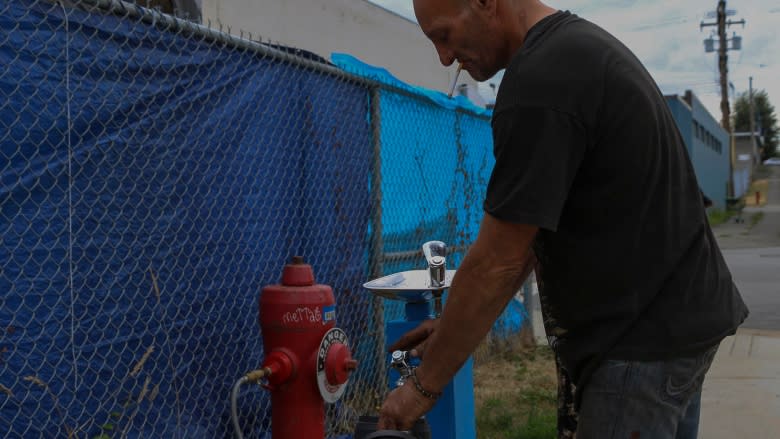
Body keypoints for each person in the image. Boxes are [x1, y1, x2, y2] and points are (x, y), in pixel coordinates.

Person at [376, 1, 749, 437]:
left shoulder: (541, 81)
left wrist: (422, 386)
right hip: (675, 327)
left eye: (444, 35)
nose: (443, 57)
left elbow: (499, 259)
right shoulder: (575, 50)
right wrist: (449, 332)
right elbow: (529, 237)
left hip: (637, 343)